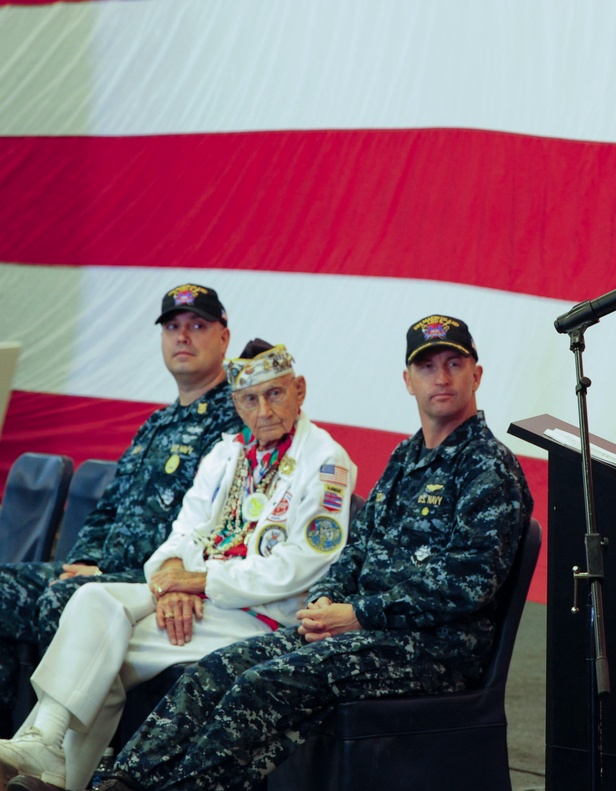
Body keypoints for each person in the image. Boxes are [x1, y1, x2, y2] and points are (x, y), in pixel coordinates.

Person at [63, 314, 533, 791]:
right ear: (408, 381)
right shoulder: (404, 457)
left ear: (477, 374)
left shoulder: (488, 467)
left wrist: (359, 614)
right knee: (215, 671)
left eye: (455, 363)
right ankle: (121, 782)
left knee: (261, 685)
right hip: (361, 631)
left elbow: (467, 584)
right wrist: (325, 603)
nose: (442, 377)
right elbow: (354, 553)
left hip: (434, 648)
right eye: (428, 366)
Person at [0, 340, 357, 791]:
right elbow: (183, 532)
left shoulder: (326, 460)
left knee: (103, 653)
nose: (264, 409)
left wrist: (200, 582)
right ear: (236, 404)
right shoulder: (226, 453)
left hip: (260, 615)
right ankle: (48, 754)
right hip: (199, 596)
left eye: (276, 393)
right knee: (91, 599)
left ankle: (50, 759)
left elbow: (302, 564)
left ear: (299, 390)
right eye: (250, 398)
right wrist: (175, 583)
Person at [0, 284, 242, 734]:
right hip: (104, 569)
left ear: (223, 337)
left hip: (155, 580)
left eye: (197, 326)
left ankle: (58, 756)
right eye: (172, 327)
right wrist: (84, 559)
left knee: (65, 600)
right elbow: (109, 506)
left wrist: (110, 577)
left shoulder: (236, 421)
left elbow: (219, 526)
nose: (182, 337)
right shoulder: (157, 423)